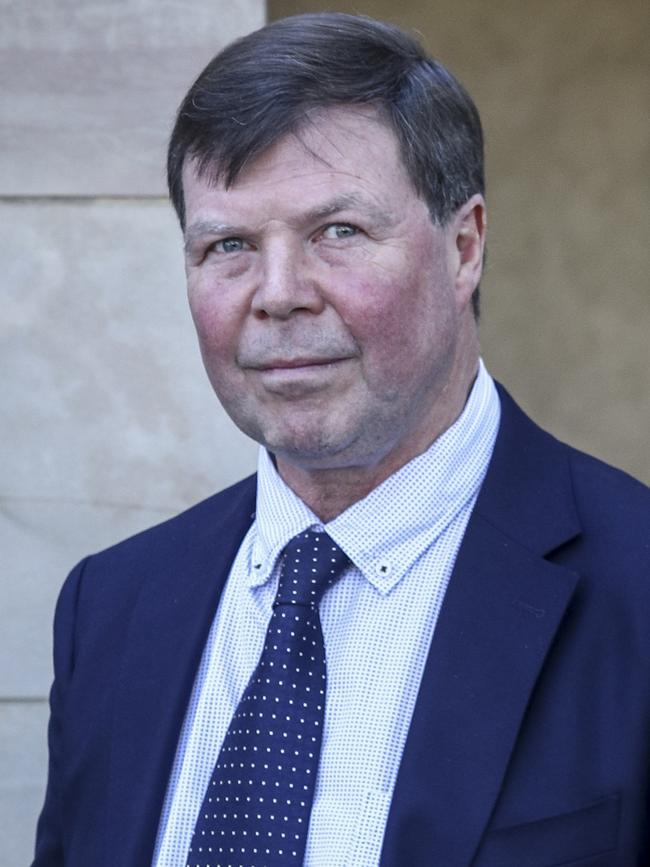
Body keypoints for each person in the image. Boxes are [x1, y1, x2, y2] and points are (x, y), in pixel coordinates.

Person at [33, 13, 649, 867]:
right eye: (230, 245)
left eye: (339, 232)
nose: (278, 295)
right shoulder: (109, 610)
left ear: (464, 245)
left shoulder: (637, 588)